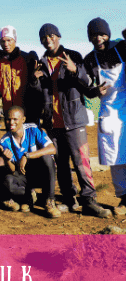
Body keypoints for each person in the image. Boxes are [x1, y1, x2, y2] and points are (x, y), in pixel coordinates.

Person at [30, 23, 109, 217]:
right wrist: (34, 79)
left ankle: (89, 200)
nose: (48, 40)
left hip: (73, 119)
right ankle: (69, 198)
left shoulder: (73, 56)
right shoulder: (41, 63)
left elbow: (86, 86)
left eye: (51, 35)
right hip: (52, 122)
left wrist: (75, 70)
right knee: (61, 164)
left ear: (58, 36)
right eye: (44, 37)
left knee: (81, 162)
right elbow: (39, 94)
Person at [84, 18, 126, 215]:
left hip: (125, 108)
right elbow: (85, 86)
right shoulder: (90, 59)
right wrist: (95, 91)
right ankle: (124, 199)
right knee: (115, 156)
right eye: (94, 35)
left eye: (102, 34)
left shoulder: (122, 47)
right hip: (108, 111)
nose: (98, 38)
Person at [0, 105, 60, 219]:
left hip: (40, 173)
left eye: (15, 119)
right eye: (8, 119)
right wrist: (7, 159)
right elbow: (13, 170)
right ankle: (29, 196)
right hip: (24, 175)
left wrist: (27, 156)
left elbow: (52, 149)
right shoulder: (5, 140)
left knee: (47, 158)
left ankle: (49, 201)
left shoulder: (33, 129)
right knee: (8, 181)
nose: (11, 122)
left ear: (23, 119)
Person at [0, 25, 33, 116]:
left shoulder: (26, 58)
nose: (6, 44)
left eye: (9, 40)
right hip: (8, 112)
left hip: (27, 112)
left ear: (15, 40)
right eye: (2, 41)